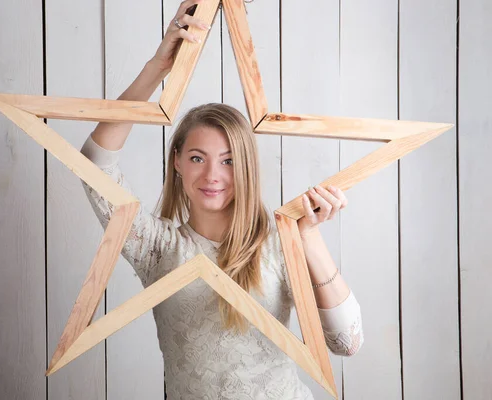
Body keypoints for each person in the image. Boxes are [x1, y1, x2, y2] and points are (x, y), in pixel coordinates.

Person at [80, 1, 363, 398]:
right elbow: (96, 163)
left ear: (245, 167)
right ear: (176, 161)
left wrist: (309, 237)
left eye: (229, 161)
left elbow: (346, 342)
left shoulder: (280, 243)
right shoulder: (157, 248)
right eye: (198, 158)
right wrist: (157, 68)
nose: (213, 175)